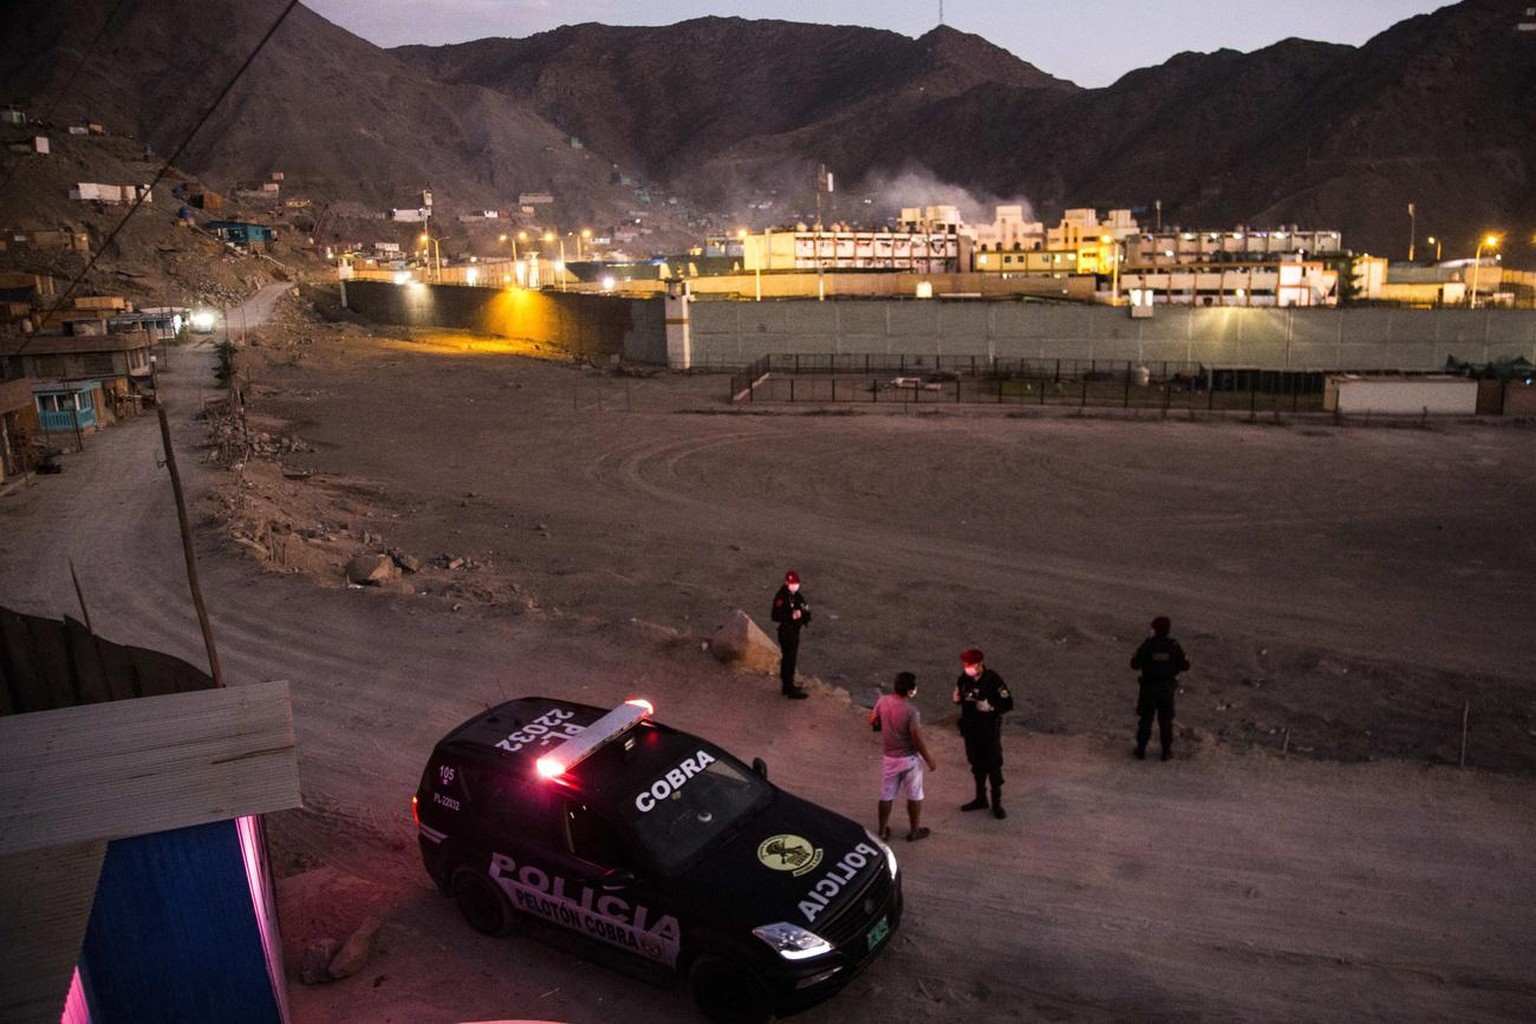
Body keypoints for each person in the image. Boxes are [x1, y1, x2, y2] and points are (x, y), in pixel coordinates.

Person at [870, 671, 937, 842]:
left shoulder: (883, 701)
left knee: (887, 794)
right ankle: (914, 831)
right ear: (910, 690)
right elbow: (916, 737)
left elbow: (872, 720)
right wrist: (928, 758)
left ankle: (882, 831)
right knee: (914, 795)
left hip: (889, 758)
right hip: (909, 759)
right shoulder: (911, 711)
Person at [953, 648, 1013, 819]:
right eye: (965, 664)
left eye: (970, 665)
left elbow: (1008, 703)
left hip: (989, 731)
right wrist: (957, 699)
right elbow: (961, 698)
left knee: (993, 766)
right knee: (976, 765)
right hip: (971, 730)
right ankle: (980, 798)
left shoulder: (993, 680)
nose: (967, 668)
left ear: (980, 664)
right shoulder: (964, 679)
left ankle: (997, 803)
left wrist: (991, 706)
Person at [1130, 615, 1190, 761]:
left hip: (1148, 688)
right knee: (1166, 721)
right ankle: (1165, 752)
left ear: (1154, 629)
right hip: (1167, 689)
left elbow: (1134, 664)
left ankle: (1141, 750)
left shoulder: (1148, 645)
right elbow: (1185, 665)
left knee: (1145, 720)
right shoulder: (1174, 646)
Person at [770, 570, 811, 699]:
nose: (794, 585)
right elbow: (775, 615)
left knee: (790, 658)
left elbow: (806, 610)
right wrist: (791, 616)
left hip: (794, 631)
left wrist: (802, 616)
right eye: (792, 583)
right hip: (786, 632)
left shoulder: (797, 596)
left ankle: (788, 685)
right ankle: (788, 686)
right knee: (789, 659)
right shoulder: (781, 597)